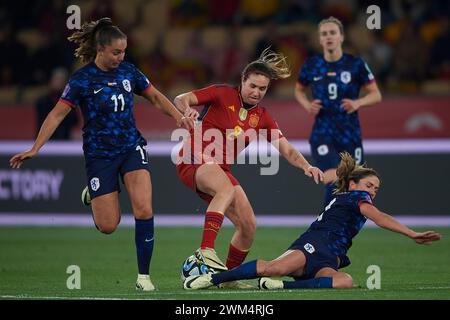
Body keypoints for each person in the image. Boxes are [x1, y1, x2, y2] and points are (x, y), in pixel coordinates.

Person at [9, 18, 197, 291]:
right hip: (100, 156)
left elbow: (155, 96)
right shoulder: (81, 80)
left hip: (131, 147)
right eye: (116, 52)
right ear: (101, 49)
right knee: (108, 226)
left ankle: (143, 277)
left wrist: (179, 118)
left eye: (124, 52)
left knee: (144, 208)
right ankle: (95, 193)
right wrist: (36, 147)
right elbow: (57, 114)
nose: (121, 57)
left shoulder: (129, 72)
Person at [174, 48, 324, 288]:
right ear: (242, 81)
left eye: (262, 89)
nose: (256, 92)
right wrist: (186, 110)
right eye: (252, 86)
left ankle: (228, 279)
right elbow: (181, 98)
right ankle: (205, 250)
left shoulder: (262, 117)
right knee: (226, 189)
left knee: (248, 225)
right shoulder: (222, 93)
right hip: (193, 158)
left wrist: (307, 166)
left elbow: (286, 149)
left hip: (218, 169)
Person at [183, 152, 442, 290]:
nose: (373, 191)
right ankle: (212, 279)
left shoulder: (352, 198)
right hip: (314, 244)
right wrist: (411, 234)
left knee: (345, 282)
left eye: (376, 188)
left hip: (329, 256)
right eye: (369, 185)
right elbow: (380, 218)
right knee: (273, 267)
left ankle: (279, 287)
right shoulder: (355, 198)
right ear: (354, 184)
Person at [294, 17, 382, 207]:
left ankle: (332, 227)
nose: (328, 37)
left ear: (341, 37)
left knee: (352, 185)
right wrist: (307, 105)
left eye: (332, 32)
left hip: (350, 133)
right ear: (319, 39)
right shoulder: (312, 65)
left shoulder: (356, 64)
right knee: (333, 177)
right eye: (324, 34)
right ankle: (325, 225)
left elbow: (376, 95)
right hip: (323, 133)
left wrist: (359, 102)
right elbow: (298, 90)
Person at [35, 68, 79, 140]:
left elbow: (74, 121)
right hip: (45, 139)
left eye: (61, 80)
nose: (58, 82)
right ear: (51, 81)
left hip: (64, 139)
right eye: (56, 79)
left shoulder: (70, 101)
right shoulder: (42, 102)